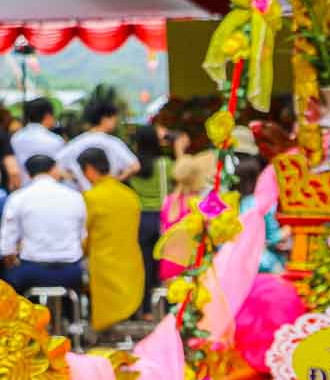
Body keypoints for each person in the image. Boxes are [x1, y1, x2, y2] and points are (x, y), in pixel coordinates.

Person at [78, 147, 143, 331]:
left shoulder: (91, 197)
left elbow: (84, 235)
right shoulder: (130, 195)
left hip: (104, 266)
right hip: (132, 264)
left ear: (89, 169)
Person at [0, 155, 85, 294]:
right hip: (70, 274)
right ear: (54, 169)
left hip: (31, 273)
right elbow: (82, 238)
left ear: (28, 174)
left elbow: (7, 248)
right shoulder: (76, 197)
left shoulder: (18, 198)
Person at [131, 125, 189, 316]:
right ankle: (170, 305)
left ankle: (146, 309)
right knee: (168, 261)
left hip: (141, 218)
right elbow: (185, 175)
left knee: (145, 264)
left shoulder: (133, 165)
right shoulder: (164, 164)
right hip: (163, 217)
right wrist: (178, 149)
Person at [57, 100, 139, 190]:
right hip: (106, 193)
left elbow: (56, 166)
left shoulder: (77, 142)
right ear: (105, 119)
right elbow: (135, 166)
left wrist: (77, 180)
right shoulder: (113, 142)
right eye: (114, 119)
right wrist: (116, 181)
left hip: (82, 194)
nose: (115, 123)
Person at [159, 150, 215, 280]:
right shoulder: (199, 204)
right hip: (190, 266)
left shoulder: (167, 201)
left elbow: (162, 232)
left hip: (167, 264)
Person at [235, 152, 285, 274]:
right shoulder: (261, 202)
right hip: (265, 262)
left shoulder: (234, 201)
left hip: (238, 262)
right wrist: (286, 231)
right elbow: (272, 237)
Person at [11, 97, 64, 185]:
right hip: (50, 187)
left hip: (23, 188)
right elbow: (61, 168)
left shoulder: (15, 138)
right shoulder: (55, 140)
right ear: (48, 116)